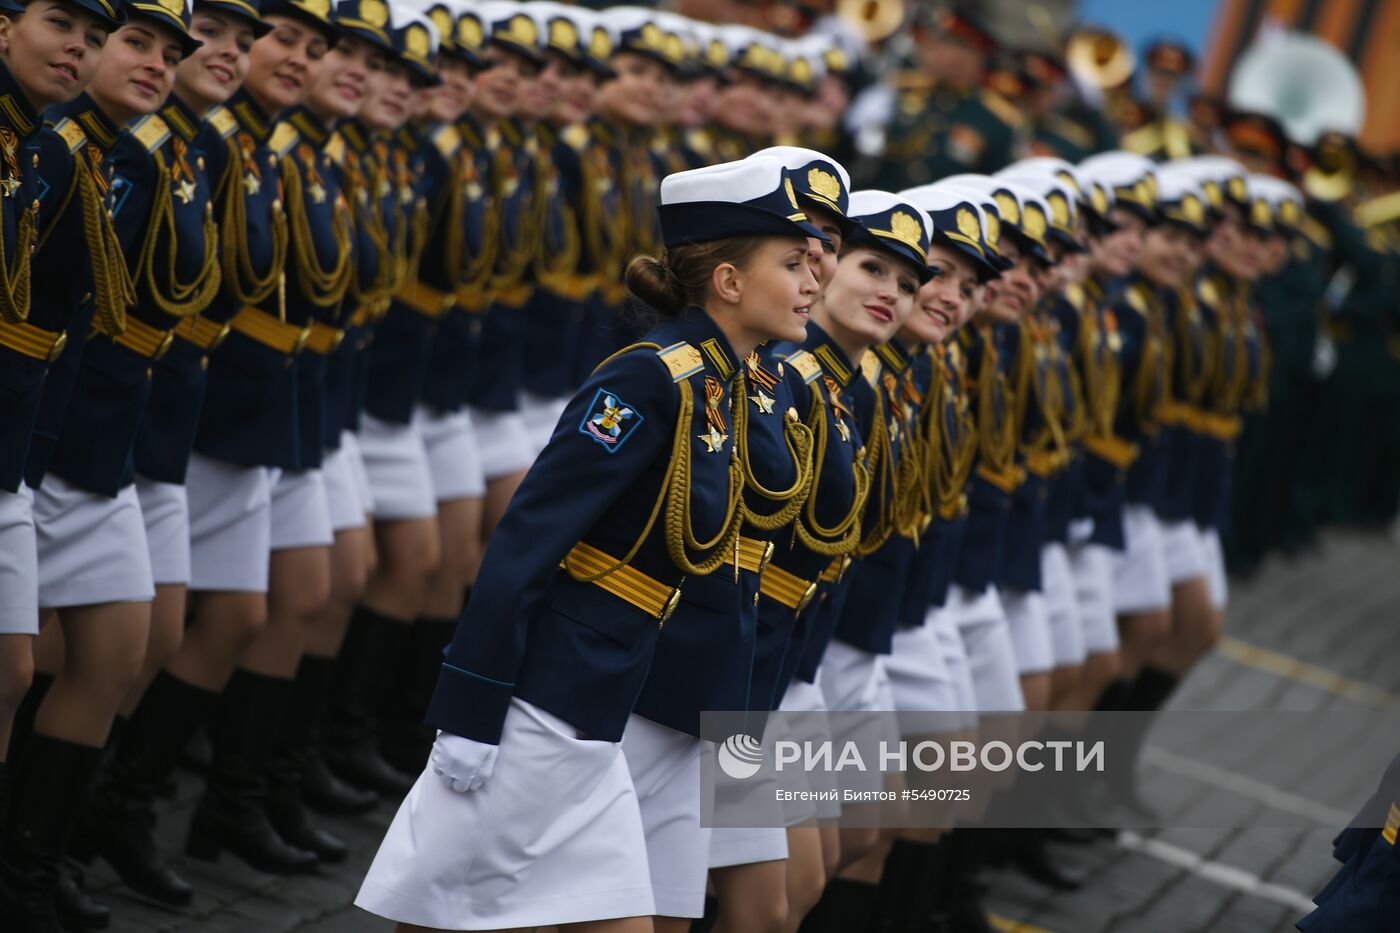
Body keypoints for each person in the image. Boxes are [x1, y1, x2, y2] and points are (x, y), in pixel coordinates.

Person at [354, 154, 827, 931]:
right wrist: (470, 710)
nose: (814, 281)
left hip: (605, 692)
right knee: (441, 912)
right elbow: (523, 546)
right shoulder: (650, 379)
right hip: (546, 697)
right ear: (729, 283)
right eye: (792, 263)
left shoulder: (727, 382)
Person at [67, 0, 271, 910]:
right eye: (779, 262)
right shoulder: (675, 381)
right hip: (722, 733)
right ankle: (53, 843)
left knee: (750, 870)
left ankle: (83, 828)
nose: (226, 53)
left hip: (746, 721)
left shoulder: (757, 387)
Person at [0, 0, 127, 926]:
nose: (78, 43)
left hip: (23, 434)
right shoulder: (42, 148)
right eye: (60, 21)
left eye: (93, 28)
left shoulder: (44, 149)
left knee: (18, 670)